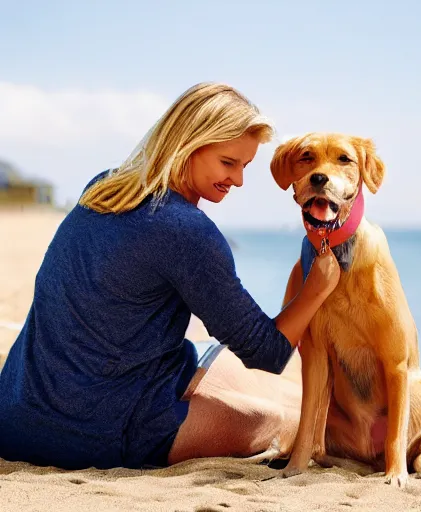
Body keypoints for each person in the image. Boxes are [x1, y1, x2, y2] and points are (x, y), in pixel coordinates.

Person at [0, 82, 341, 470]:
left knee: (260, 381)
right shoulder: (187, 231)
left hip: (17, 407)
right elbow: (268, 352)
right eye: (228, 163)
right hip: (94, 432)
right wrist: (316, 288)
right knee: (276, 419)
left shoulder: (105, 187)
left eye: (244, 166)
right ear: (188, 144)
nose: (239, 180)